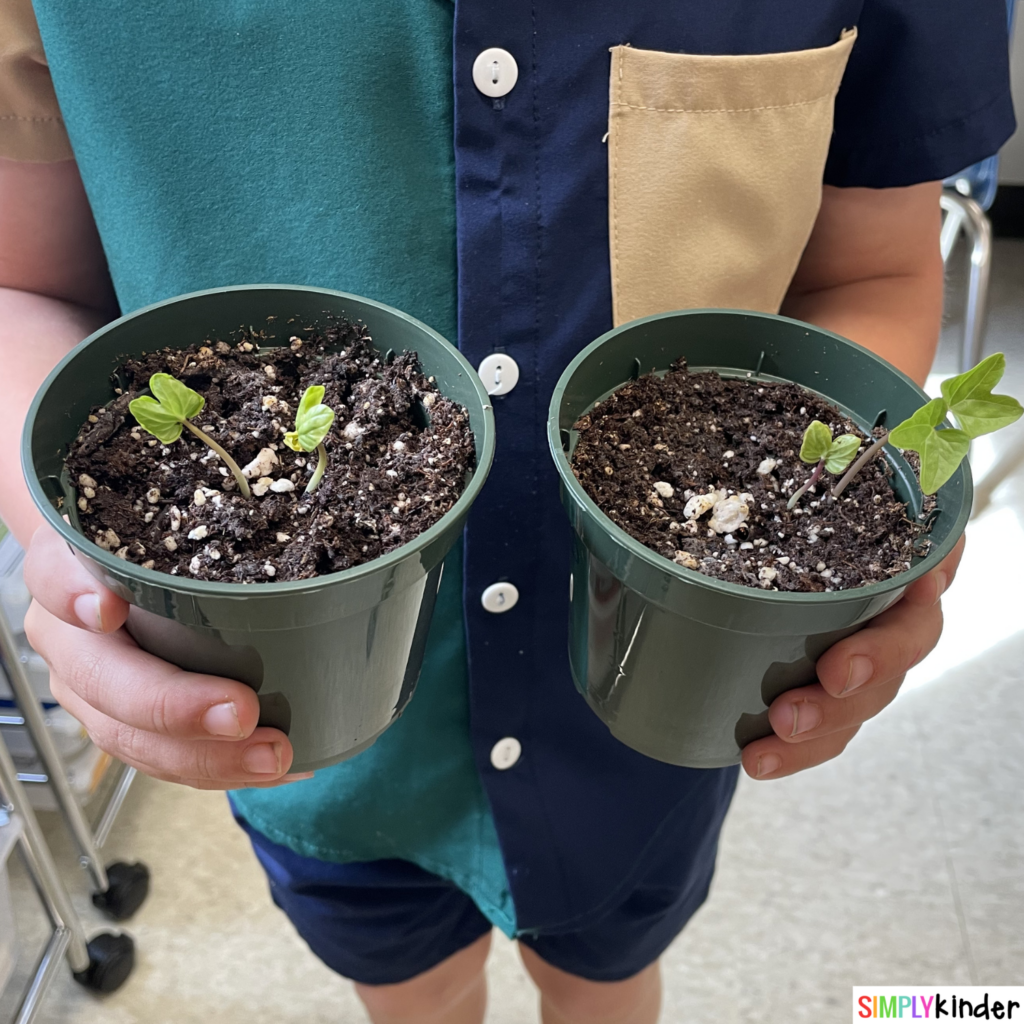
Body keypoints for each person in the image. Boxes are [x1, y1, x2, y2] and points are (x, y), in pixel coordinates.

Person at [0, 1, 1013, 1021]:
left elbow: (868, 269)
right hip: (297, 716)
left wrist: (840, 536)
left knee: (608, 976)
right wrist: (65, 556)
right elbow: (24, 286)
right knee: (413, 986)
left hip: (657, 703)